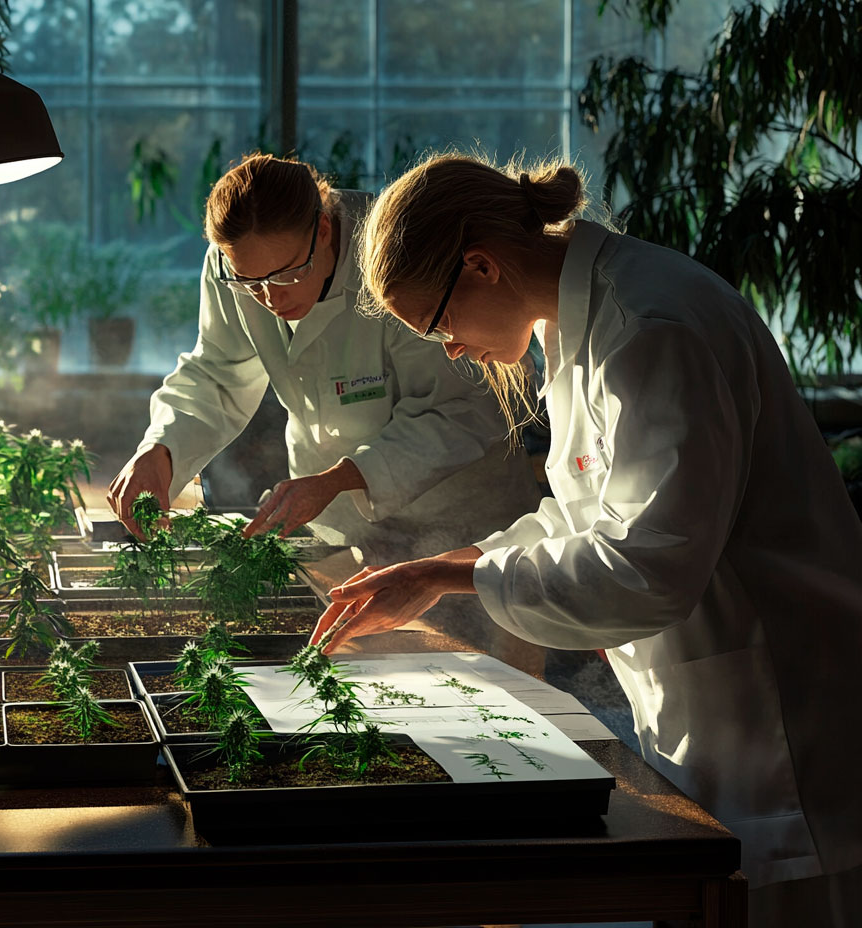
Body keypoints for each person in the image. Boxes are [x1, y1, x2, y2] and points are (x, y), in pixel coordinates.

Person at [313, 151, 862, 925]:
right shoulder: (582, 319)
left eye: (436, 326)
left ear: (481, 265)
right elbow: (582, 514)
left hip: (784, 722)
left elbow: (648, 568)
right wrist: (438, 569)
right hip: (713, 709)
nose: (452, 352)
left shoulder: (651, 328)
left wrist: (456, 577)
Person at [108, 153, 544, 671]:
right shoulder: (235, 267)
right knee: (377, 689)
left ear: (323, 229)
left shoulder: (396, 250)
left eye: (288, 273)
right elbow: (219, 371)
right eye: (251, 282)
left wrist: (341, 476)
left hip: (461, 519)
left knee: (498, 695)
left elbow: (466, 409)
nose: (269, 297)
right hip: (345, 526)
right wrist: (162, 449)